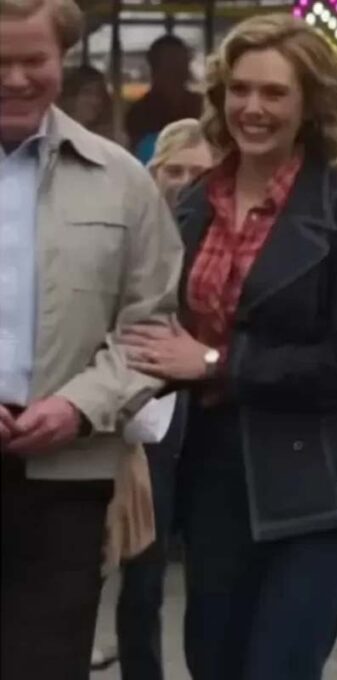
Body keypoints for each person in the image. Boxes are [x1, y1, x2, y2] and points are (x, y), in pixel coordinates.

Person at [120, 14, 337, 680]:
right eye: (240, 89)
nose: (253, 107)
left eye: (275, 93)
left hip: (319, 480)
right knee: (213, 663)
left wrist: (215, 362)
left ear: (310, 104)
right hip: (213, 474)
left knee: (278, 668)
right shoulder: (195, 201)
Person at [0, 2, 183, 680]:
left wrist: (79, 406)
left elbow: (152, 326)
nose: (16, 79)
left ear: (64, 58)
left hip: (67, 475)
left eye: (34, 60)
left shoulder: (122, 182)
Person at [92, 119, 214, 680]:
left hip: (208, 397)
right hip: (146, 406)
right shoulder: (130, 229)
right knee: (142, 560)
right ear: (155, 173)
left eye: (197, 172)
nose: (184, 182)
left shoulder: (225, 233)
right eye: (175, 170)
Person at [126, 34, 202, 163]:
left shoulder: (200, 105)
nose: (178, 69)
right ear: (155, 68)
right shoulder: (140, 112)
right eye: (171, 63)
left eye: (183, 61)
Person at [58, 64, 115, 138]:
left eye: (99, 94)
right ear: (71, 97)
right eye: (87, 93)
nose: (95, 101)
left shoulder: (105, 134)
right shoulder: (59, 132)